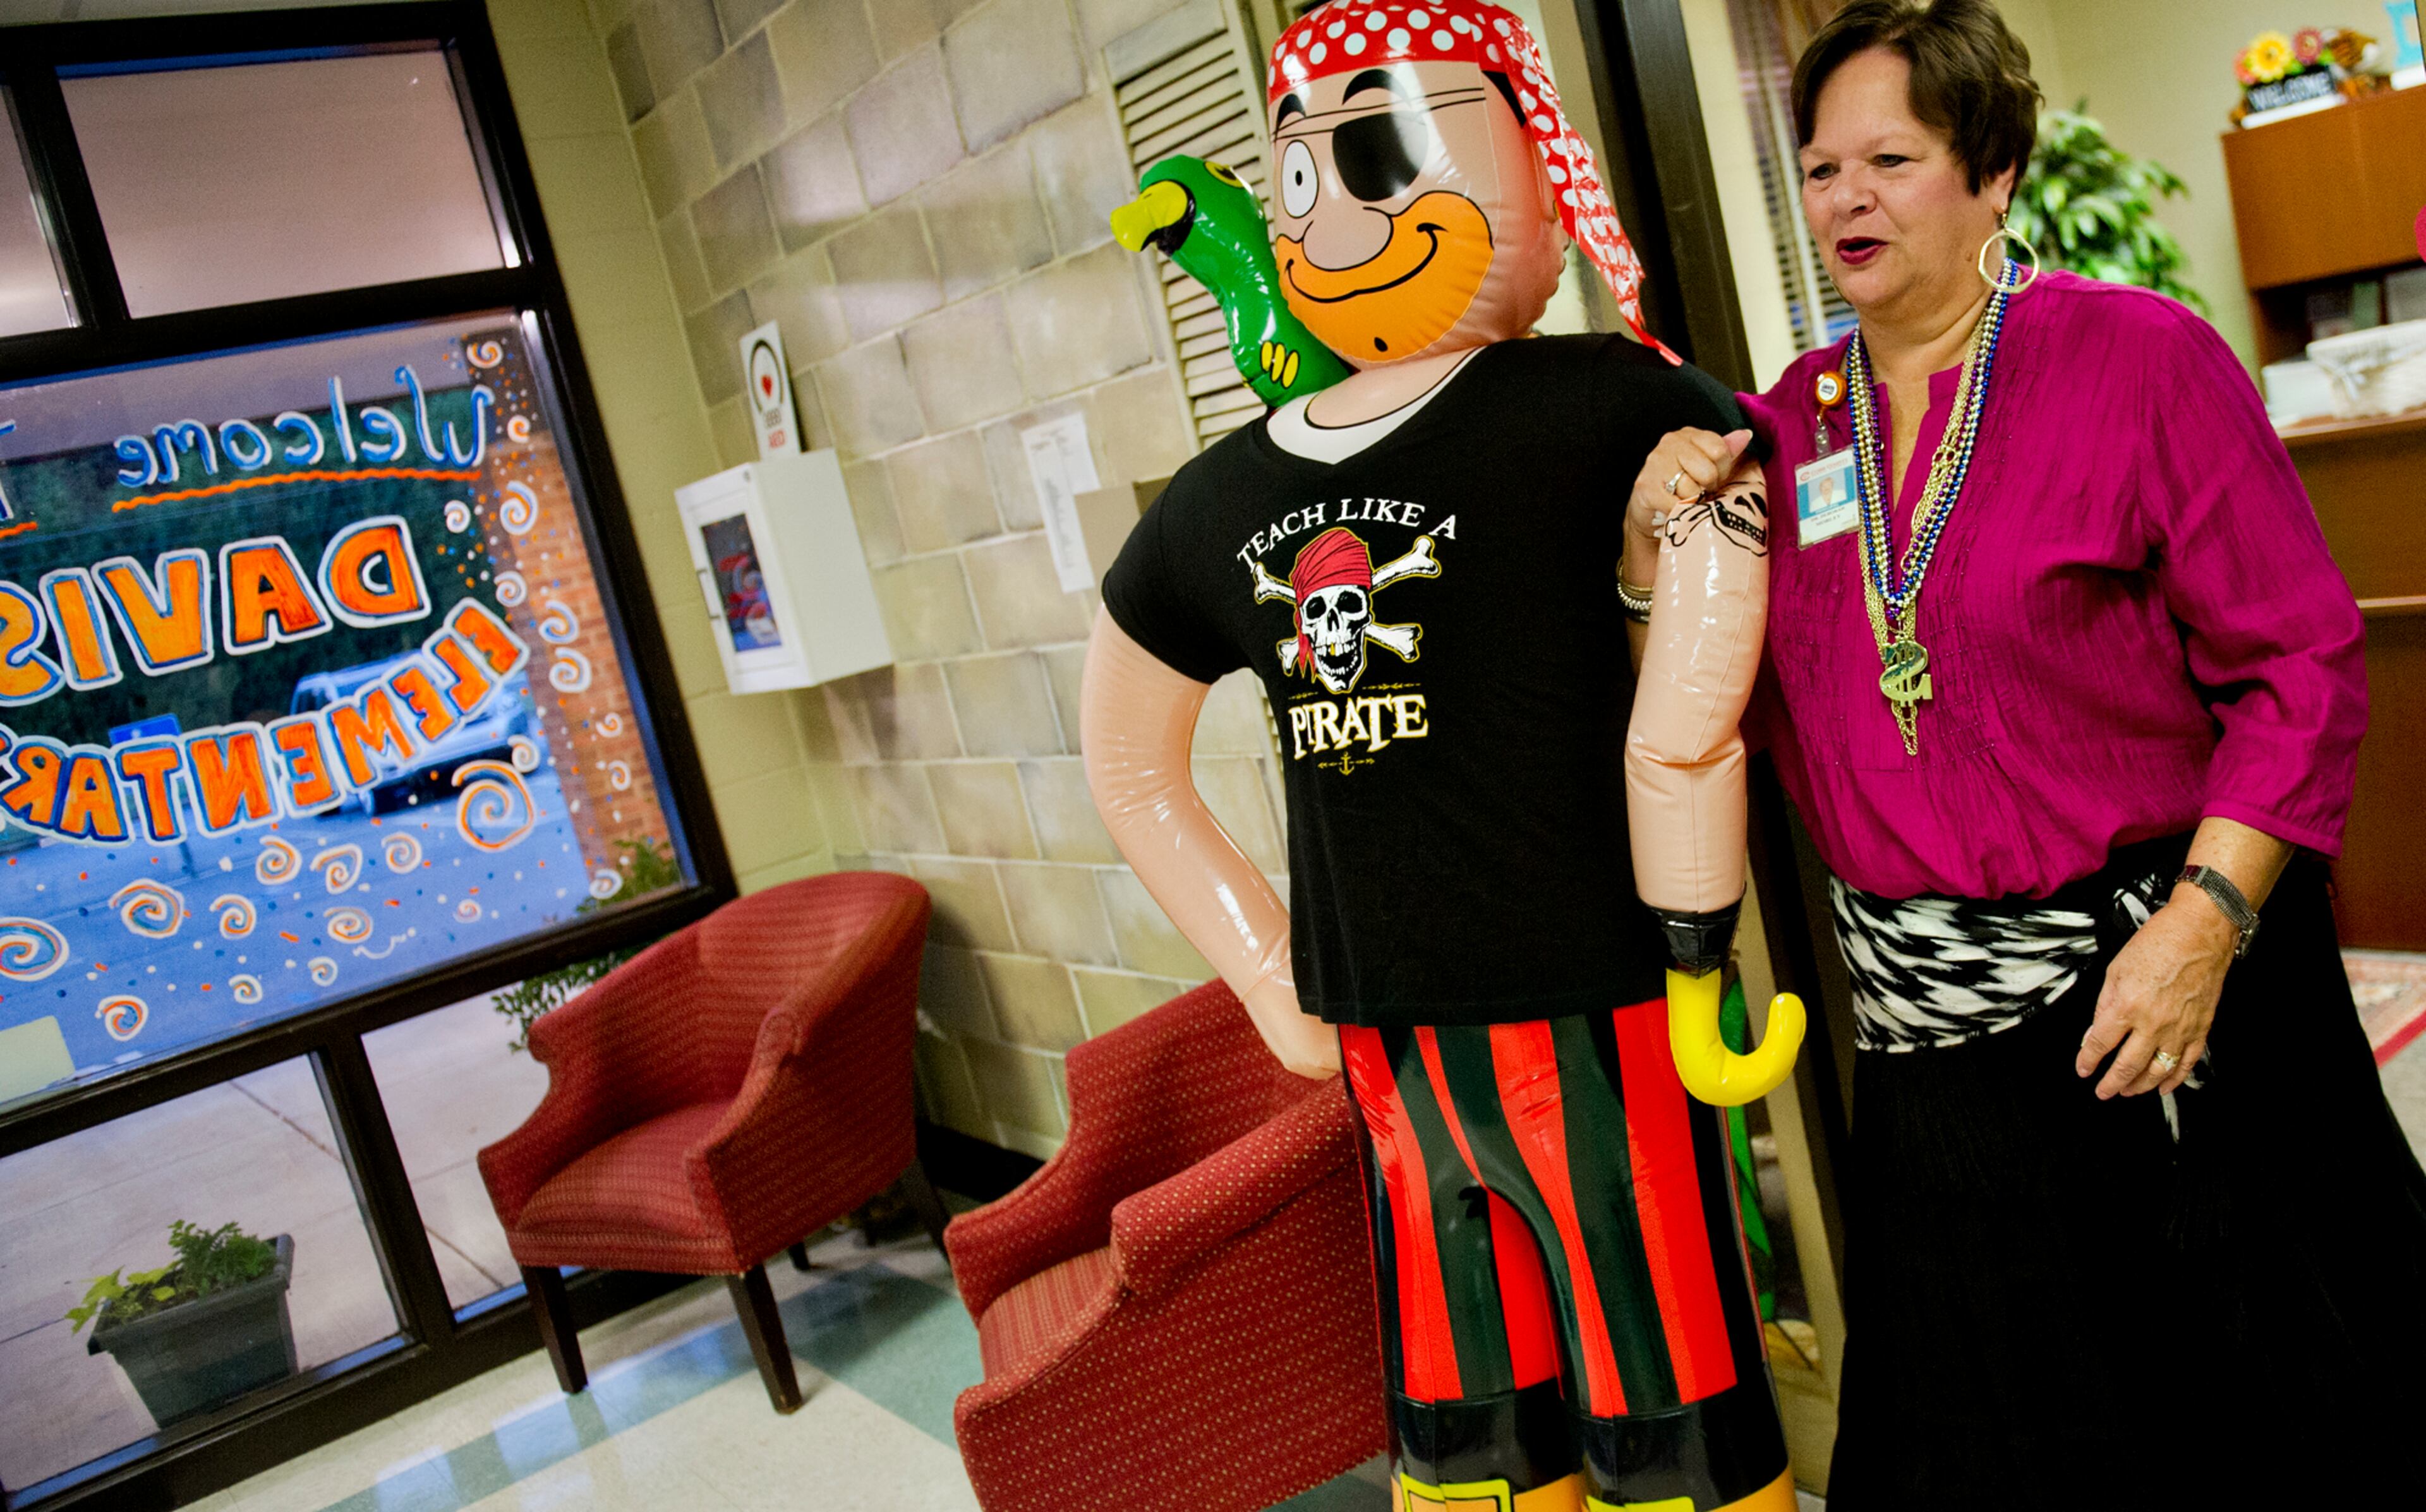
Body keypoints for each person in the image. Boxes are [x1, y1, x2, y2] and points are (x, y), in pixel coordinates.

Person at [1641, 1, 2426, 1503]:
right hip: (1936, 1036)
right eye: (1820, 168)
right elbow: (1717, 698)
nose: (1846, 198)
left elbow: (2301, 664)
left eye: (1892, 157)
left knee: (2275, 1405)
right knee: (1983, 1438)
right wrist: (1655, 540)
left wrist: (2206, 926)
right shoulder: (1784, 431)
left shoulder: (2139, 360)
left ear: (1993, 173)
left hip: (2176, 991)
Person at [1085, 4, 1799, 1507]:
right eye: (1301, 173)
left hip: (1590, 995)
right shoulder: (1218, 502)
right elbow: (1130, 766)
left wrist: (1690, 928)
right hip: (1383, 1041)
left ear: (1527, 163)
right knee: (1470, 1407)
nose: (1336, 211)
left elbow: (1703, 664)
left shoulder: (1606, 401)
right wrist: (1275, 978)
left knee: (1658, 1372)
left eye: (1383, 155)